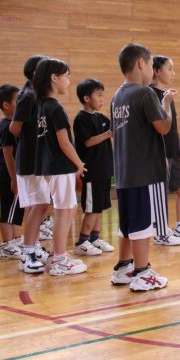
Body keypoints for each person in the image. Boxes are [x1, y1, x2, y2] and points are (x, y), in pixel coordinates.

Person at [110, 43, 174, 292]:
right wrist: (166, 105)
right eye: (150, 64)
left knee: (127, 223)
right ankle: (142, 272)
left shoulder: (117, 96)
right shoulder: (145, 93)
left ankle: (123, 267)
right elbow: (163, 127)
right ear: (140, 63)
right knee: (142, 224)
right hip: (143, 172)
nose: (151, 70)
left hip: (123, 171)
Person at [33, 58, 87, 276]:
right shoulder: (55, 108)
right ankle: (59, 258)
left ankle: (58, 255)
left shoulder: (41, 106)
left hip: (49, 166)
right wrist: (79, 163)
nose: (69, 81)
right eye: (66, 76)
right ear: (54, 78)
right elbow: (64, 143)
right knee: (64, 211)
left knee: (66, 209)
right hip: (60, 167)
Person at [10, 55, 52, 273]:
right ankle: (27, 253)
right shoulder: (28, 96)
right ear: (35, 73)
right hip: (29, 161)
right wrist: (32, 141)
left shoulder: (38, 95)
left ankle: (33, 245)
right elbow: (14, 128)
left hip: (38, 160)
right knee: (40, 204)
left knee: (38, 205)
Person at [151, 55, 180, 245]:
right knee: (160, 192)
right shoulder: (150, 94)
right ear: (156, 71)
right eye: (169, 69)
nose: (173, 73)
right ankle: (159, 230)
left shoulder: (167, 94)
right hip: (160, 150)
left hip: (173, 147)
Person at [73, 78, 115, 256]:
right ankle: (82, 241)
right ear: (86, 98)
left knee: (99, 206)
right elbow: (88, 142)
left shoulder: (102, 118)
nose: (102, 99)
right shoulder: (81, 119)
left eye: (103, 95)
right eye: (98, 95)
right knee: (91, 208)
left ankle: (94, 238)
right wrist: (108, 134)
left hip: (104, 171)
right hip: (92, 172)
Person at [0, 84, 24, 260]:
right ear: (6, 105)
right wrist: (14, 178)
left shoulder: (13, 124)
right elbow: (7, 153)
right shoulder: (6, 126)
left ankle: (16, 239)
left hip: (15, 174)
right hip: (8, 174)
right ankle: (6, 245)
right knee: (8, 210)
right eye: (17, 100)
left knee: (17, 209)